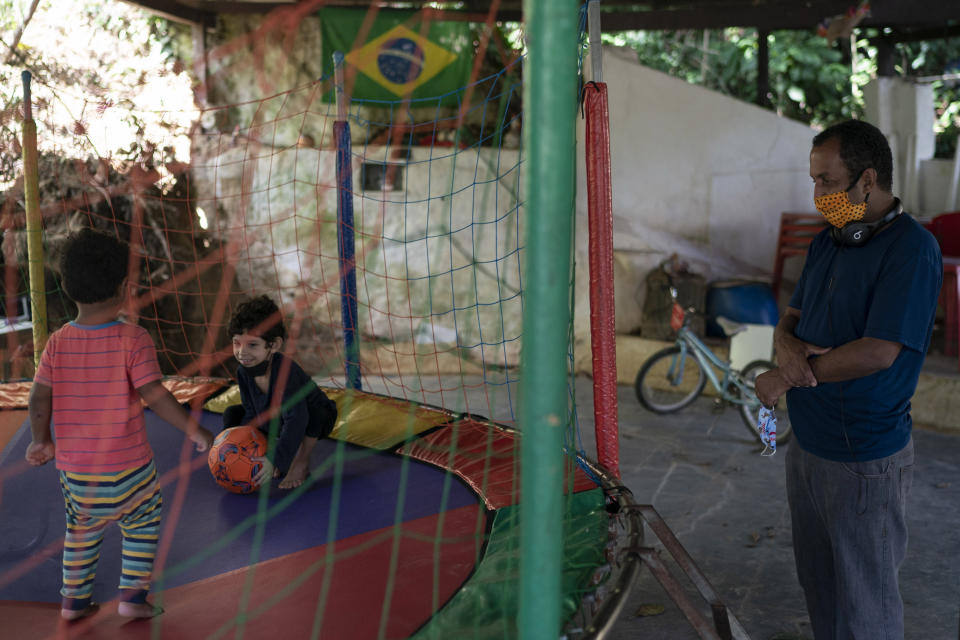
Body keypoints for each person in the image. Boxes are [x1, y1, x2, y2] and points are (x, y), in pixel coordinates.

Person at [755, 119, 942, 639]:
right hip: (808, 448)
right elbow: (790, 319)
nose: (818, 195)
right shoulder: (827, 243)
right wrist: (787, 348)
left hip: (865, 456)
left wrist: (789, 378)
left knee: (866, 605)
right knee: (821, 589)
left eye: (828, 182)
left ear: (867, 179)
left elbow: (880, 351)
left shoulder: (912, 249)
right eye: (813, 180)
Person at [25, 227, 214, 621]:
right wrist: (194, 428)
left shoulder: (57, 342)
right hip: (130, 470)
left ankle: (73, 603)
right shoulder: (134, 338)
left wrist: (40, 440)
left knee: (81, 531)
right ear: (126, 287)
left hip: (77, 474)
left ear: (65, 285)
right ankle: (132, 598)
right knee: (143, 523)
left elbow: (39, 397)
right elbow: (155, 394)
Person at [224, 295, 337, 490]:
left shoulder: (286, 371)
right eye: (237, 343)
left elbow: (297, 418)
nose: (242, 352)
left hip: (311, 418)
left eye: (252, 345)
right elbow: (251, 412)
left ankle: (300, 462)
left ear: (274, 345)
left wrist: (276, 459)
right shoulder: (243, 371)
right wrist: (243, 448)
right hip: (275, 417)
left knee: (316, 412)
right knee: (233, 414)